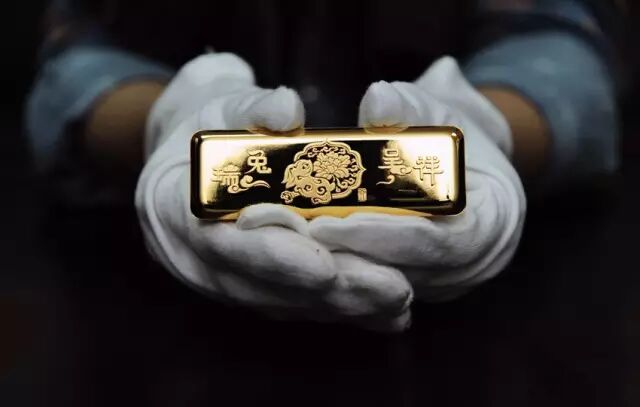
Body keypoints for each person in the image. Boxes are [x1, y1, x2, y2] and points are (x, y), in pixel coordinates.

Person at [26, 0, 622, 331]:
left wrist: (488, 124)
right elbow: (78, 59)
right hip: (144, 314)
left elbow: (559, 44)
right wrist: (163, 119)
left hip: (497, 324)